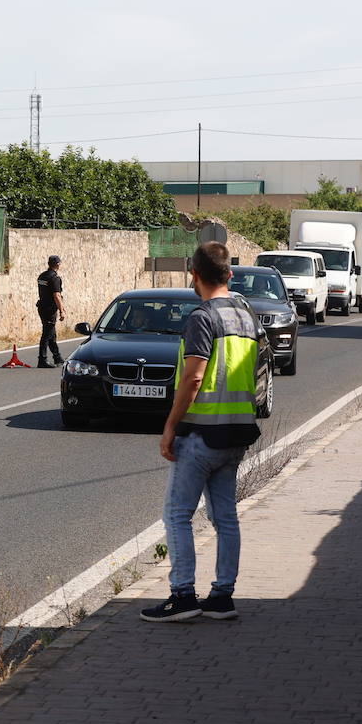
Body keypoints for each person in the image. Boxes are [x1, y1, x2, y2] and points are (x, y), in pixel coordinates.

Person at [142, 241, 261, 623]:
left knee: (177, 515)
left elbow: (193, 378)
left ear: (193, 274)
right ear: (229, 274)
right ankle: (222, 597)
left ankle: (182, 595)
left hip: (200, 435)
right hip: (237, 434)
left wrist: (169, 428)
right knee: (225, 518)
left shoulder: (202, 317)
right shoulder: (247, 318)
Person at [36, 255, 66, 368]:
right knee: (47, 334)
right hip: (49, 309)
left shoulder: (42, 276)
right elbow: (57, 295)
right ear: (58, 264)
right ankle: (42, 359)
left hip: (42, 307)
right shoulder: (54, 278)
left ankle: (57, 357)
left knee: (51, 333)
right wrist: (62, 310)